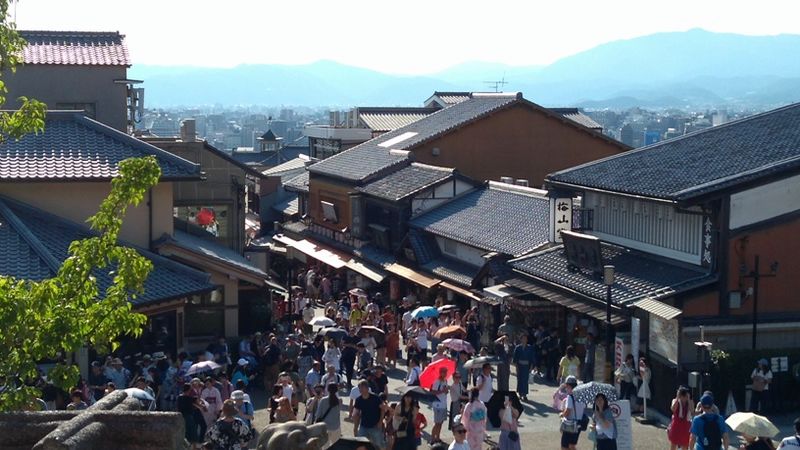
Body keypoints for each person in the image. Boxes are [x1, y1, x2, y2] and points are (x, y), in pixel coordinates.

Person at [559, 376, 583, 450]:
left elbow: (568, 411)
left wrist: (562, 414)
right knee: (572, 445)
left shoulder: (570, 397)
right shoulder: (581, 396)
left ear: (569, 386)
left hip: (570, 424)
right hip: (579, 424)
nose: (566, 389)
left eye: (567, 387)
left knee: (564, 446)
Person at [316, 383, 342, 449]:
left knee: (325, 447)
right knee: (336, 446)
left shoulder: (323, 400)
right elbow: (338, 413)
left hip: (325, 428)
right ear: (336, 390)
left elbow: (318, 415)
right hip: (336, 427)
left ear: (327, 390)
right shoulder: (339, 401)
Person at [512, 334, 535, 401]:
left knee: (525, 380)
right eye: (523, 338)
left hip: (527, 366)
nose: (524, 340)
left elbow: (532, 358)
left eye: (525, 338)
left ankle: (524, 394)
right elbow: (515, 358)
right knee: (519, 379)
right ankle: (520, 393)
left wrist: (531, 367)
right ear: (521, 339)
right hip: (520, 365)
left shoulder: (530, 347)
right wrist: (516, 366)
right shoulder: (518, 347)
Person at [431, 367, 450, 443]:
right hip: (437, 405)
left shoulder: (445, 380)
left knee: (441, 422)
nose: (445, 373)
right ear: (440, 372)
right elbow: (433, 392)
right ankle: (432, 439)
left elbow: (444, 391)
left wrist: (446, 391)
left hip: (443, 404)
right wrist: (442, 391)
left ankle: (437, 437)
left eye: (446, 372)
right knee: (437, 423)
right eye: (443, 372)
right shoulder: (437, 381)